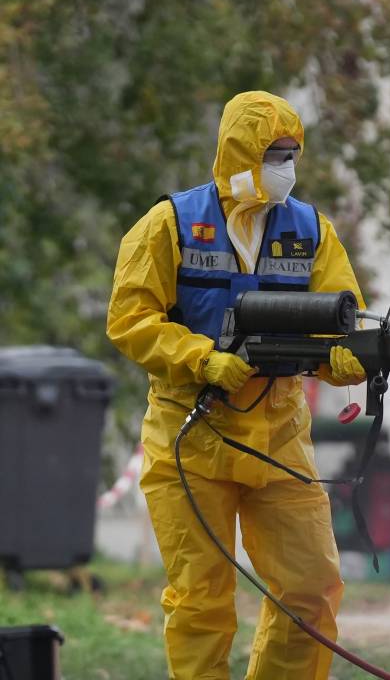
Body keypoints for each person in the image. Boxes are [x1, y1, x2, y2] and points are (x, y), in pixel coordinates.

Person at [107, 90, 367, 679]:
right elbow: (130, 320)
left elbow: (343, 320)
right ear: (241, 152)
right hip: (190, 439)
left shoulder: (311, 230)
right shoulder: (169, 225)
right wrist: (201, 358)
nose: (287, 167)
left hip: (279, 437)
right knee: (201, 600)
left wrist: (346, 360)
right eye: (275, 153)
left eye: (292, 154)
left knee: (312, 590)